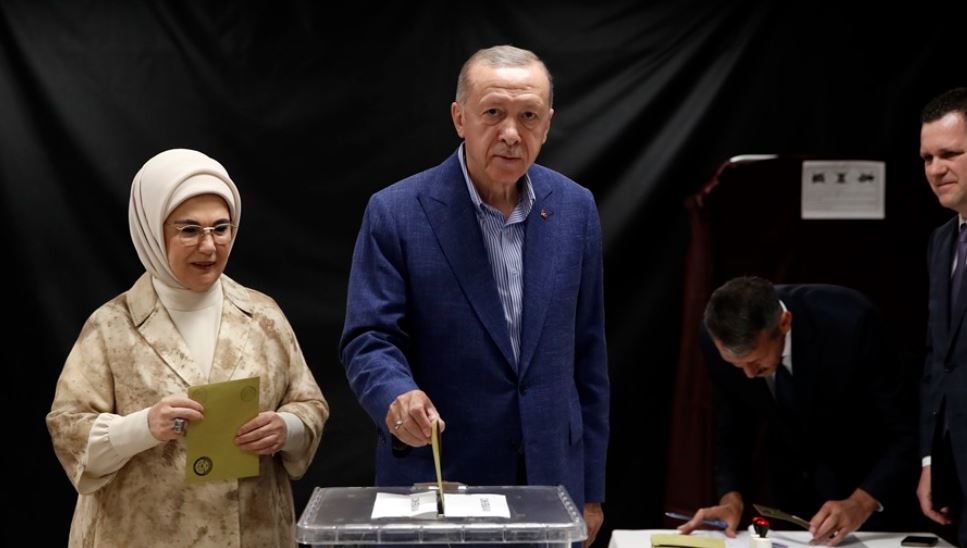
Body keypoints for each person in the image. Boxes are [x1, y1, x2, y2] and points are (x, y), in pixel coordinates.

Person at [339, 45, 609, 546]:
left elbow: (589, 353)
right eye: (493, 113)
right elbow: (369, 339)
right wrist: (395, 396)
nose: (511, 133)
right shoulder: (396, 212)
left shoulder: (576, 209)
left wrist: (591, 489)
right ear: (459, 118)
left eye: (528, 116)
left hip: (552, 479)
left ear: (547, 124)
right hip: (441, 472)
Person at [47, 148, 329, 547]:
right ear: (151, 229)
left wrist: (288, 428)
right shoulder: (111, 326)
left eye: (221, 228)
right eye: (189, 230)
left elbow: (309, 404)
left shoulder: (264, 316)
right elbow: (69, 431)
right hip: (139, 534)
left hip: (256, 531)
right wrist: (144, 426)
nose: (210, 247)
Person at [681, 277, 917, 546]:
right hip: (792, 499)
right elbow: (731, 426)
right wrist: (730, 498)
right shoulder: (714, 337)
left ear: (784, 322)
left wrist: (862, 501)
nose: (748, 375)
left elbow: (906, 429)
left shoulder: (850, 322)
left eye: (756, 361)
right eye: (736, 365)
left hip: (869, 490)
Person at [919, 87, 967, 546]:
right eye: (928, 158)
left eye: (950, 154)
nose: (936, 170)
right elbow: (939, 360)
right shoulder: (941, 242)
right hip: (956, 476)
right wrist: (931, 460)